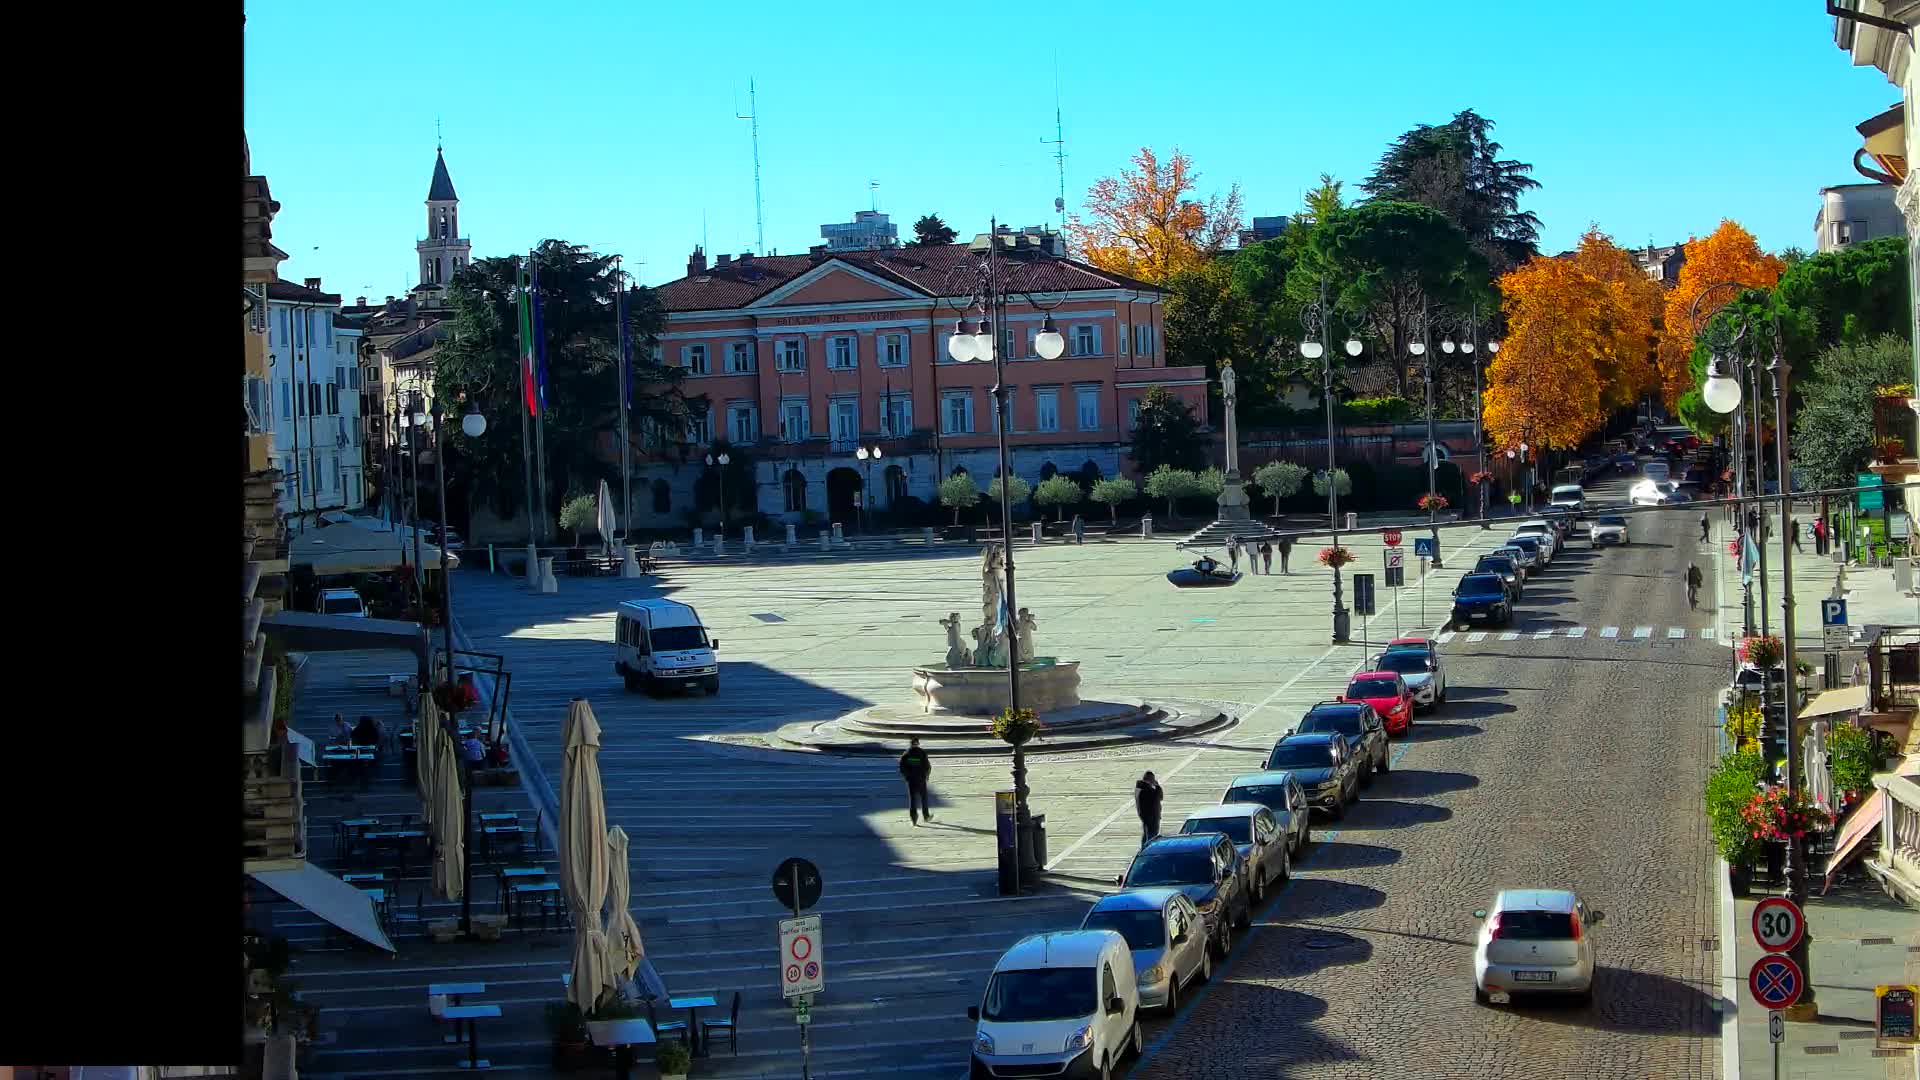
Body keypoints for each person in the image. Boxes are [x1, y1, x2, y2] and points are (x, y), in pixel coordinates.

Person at [898, 737, 933, 825]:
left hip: (911, 780)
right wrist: (927, 775)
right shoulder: (922, 753)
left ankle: (914, 818)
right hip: (921, 779)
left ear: (911, 744)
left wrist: (906, 776)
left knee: (913, 799)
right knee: (924, 798)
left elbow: (902, 767)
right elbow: (927, 766)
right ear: (918, 744)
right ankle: (926, 816)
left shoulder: (906, 754)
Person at [1136, 771, 1163, 848]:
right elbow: (1160, 796)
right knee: (1152, 836)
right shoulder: (1146, 790)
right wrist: (1157, 786)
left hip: (1146, 816)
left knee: (1146, 835)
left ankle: (1143, 848)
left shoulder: (1140, 788)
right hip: (1152, 816)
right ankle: (1149, 849)